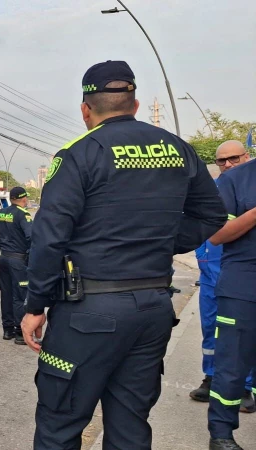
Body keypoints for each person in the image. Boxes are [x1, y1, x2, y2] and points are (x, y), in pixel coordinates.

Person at [20, 60, 227, 449]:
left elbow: (49, 239)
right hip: (152, 311)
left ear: (86, 109)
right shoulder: (178, 149)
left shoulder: (79, 153)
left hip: (88, 315)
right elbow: (212, 215)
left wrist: (35, 306)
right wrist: (161, 242)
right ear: (134, 105)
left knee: (59, 424)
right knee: (130, 425)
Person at [191, 141, 254, 413]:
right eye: (222, 160)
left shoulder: (248, 187)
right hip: (210, 276)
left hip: (238, 277)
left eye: (234, 158)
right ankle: (211, 376)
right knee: (210, 328)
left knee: (241, 334)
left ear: (246, 156)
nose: (227, 164)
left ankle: (245, 387)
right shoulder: (213, 190)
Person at [206, 156, 256, 449]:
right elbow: (216, 234)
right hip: (244, 287)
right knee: (232, 364)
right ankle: (221, 434)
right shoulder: (236, 179)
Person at [0, 186, 33, 344]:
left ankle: (7, 330)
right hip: (18, 260)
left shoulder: (2, 213)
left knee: (6, 295)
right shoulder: (23, 214)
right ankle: (20, 333)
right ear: (24, 198)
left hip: (4, 258)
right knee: (20, 296)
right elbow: (31, 237)